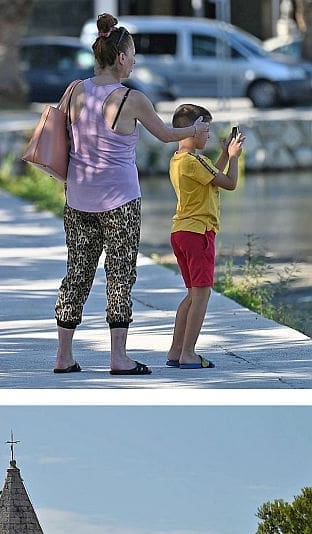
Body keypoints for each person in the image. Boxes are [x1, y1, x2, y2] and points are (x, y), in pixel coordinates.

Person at [53, 13, 209, 376]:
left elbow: (63, 138)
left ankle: (64, 356)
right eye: (134, 54)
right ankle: (118, 358)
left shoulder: (74, 90)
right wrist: (196, 128)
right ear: (121, 57)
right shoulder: (131, 99)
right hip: (120, 202)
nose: (136, 60)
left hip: (77, 198)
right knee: (120, 275)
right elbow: (168, 135)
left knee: (76, 273)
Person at [164, 105, 244, 370]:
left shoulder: (180, 159)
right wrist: (234, 157)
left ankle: (176, 351)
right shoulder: (193, 161)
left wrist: (223, 154)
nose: (208, 133)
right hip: (198, 233)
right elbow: (229, 182)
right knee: (202, 295)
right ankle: (188, 353)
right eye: (205, 128)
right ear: (191, 128)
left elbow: (213, 177)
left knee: (192, 294)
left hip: (182, 232)